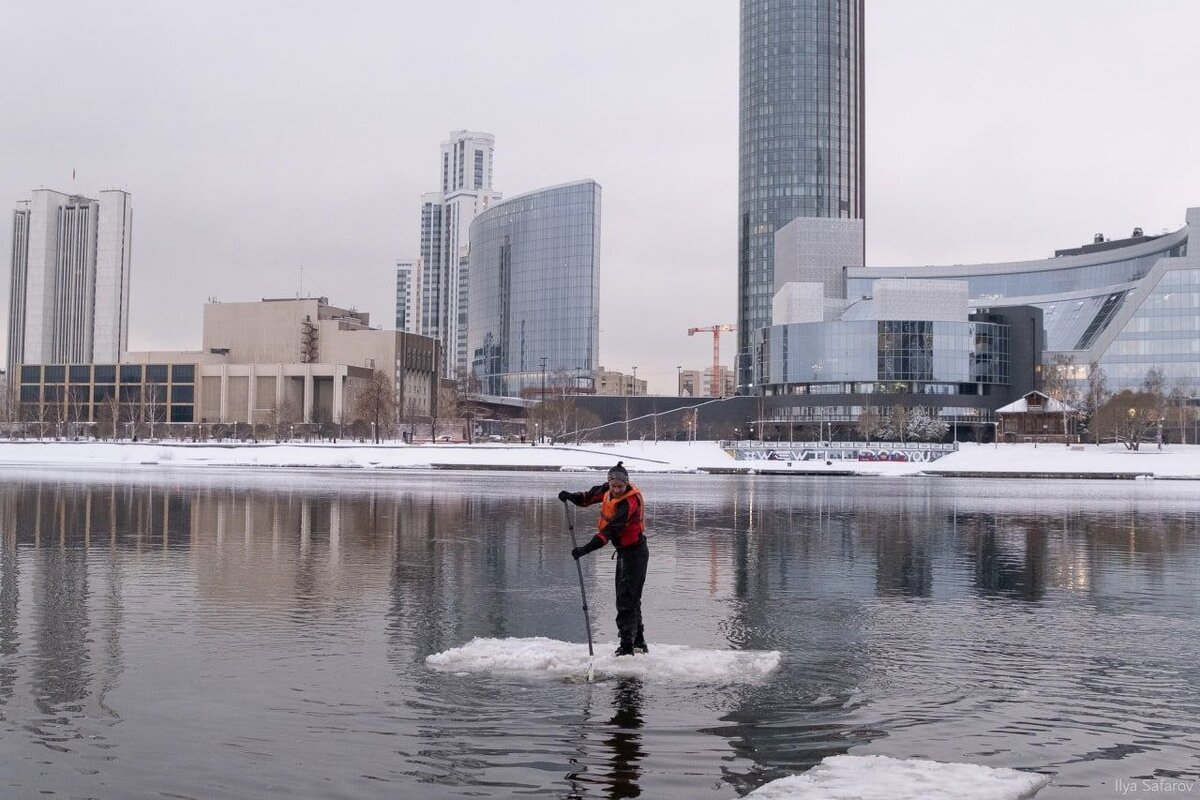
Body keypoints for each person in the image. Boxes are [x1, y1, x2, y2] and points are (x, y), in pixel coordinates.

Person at [558, 461, 649, 657]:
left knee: (627, 600)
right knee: (629, 598)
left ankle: (627, 646)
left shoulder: (628, 503)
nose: (616, 490)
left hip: (635, 553)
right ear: (609, 482)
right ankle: (638, 641)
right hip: (624, 552)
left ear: (627, 485)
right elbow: (587, 498)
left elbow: (609, 532)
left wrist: (584, 549)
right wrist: (570, 496)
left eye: (620, 486)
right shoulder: (607, 490)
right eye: (613, 485)